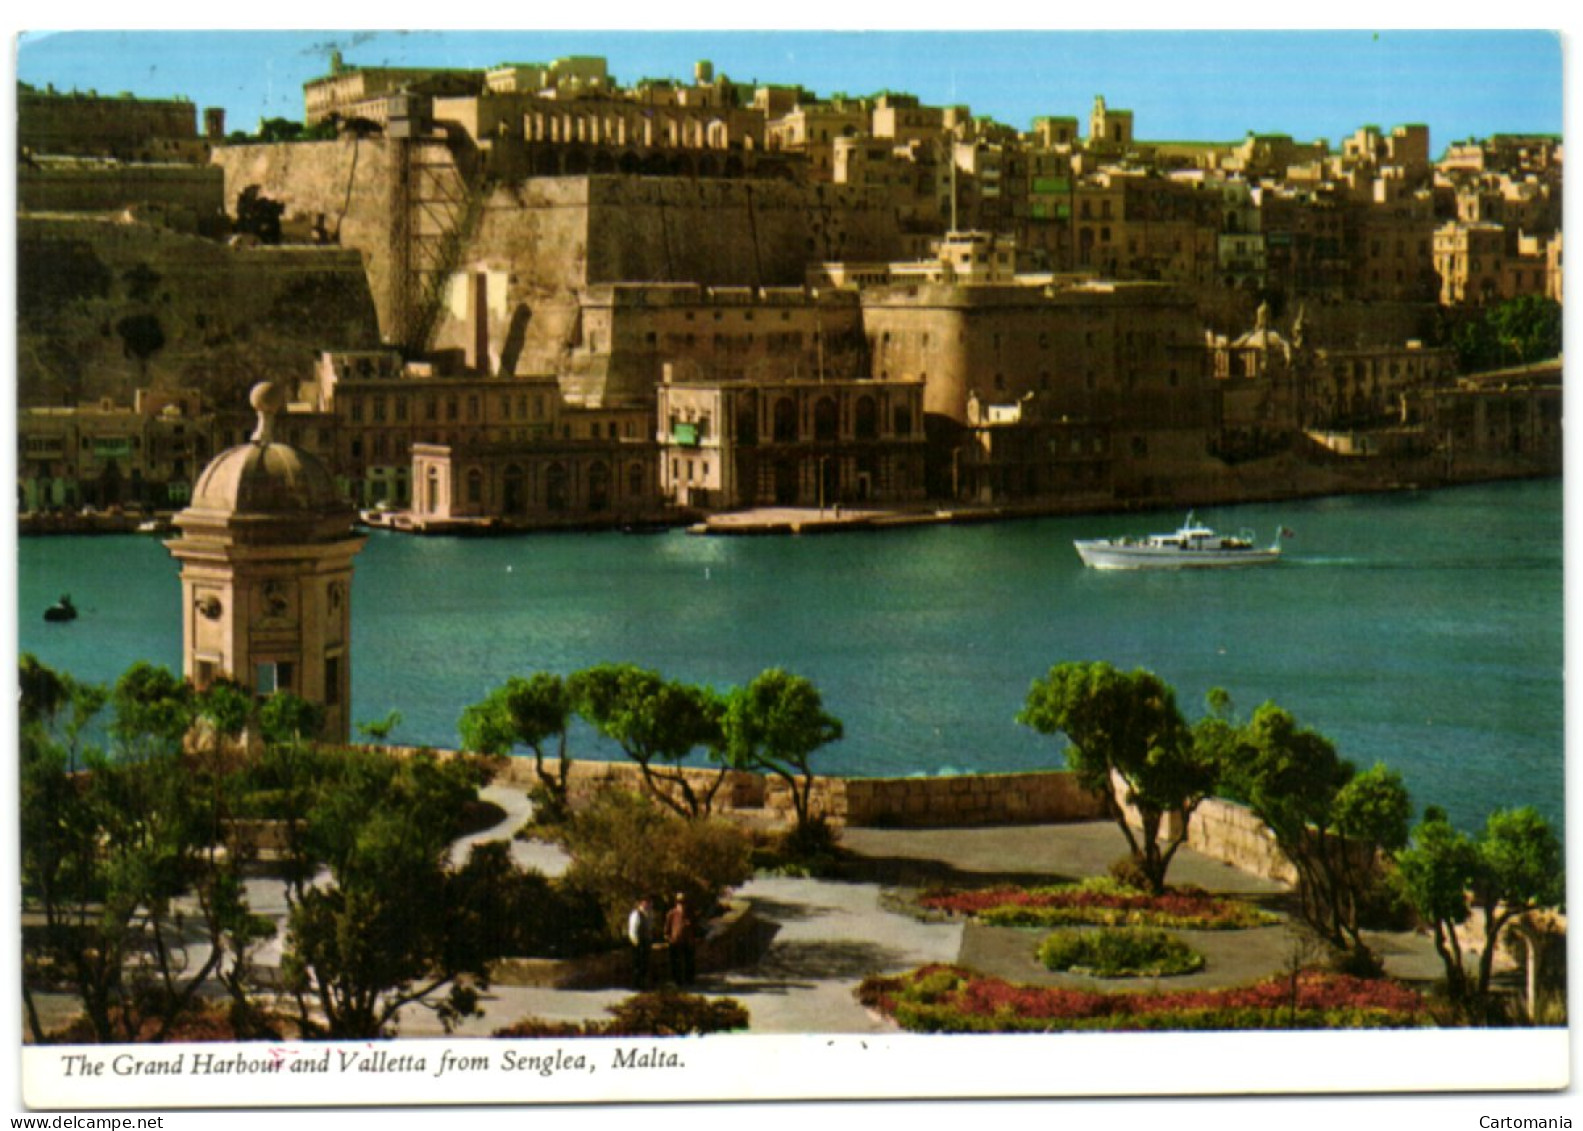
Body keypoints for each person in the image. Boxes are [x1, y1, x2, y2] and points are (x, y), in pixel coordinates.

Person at [665, 892, 697, 986]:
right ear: (676, 903)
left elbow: (696, 927)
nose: (681, 904)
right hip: (676, 942)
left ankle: (689, 980)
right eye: (679, 902)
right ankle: (676, 981)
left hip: (688, 942)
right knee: (675, 962)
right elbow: (667, 929)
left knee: (689, 962)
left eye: (683, 902)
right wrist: (670, 939)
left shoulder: (690, 914)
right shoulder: (671, 914)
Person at [627, 897, 654, 990]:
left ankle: (643, 983)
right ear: (641, 903)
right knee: (637, 965)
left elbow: (649, 929)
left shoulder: (649, 914)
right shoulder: (636, 914)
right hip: (638, 943)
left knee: (645, 964)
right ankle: (636, 984)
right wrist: (636, 942)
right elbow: (632, 930)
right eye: (646, 903)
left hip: (646, 942)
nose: (648, 905)